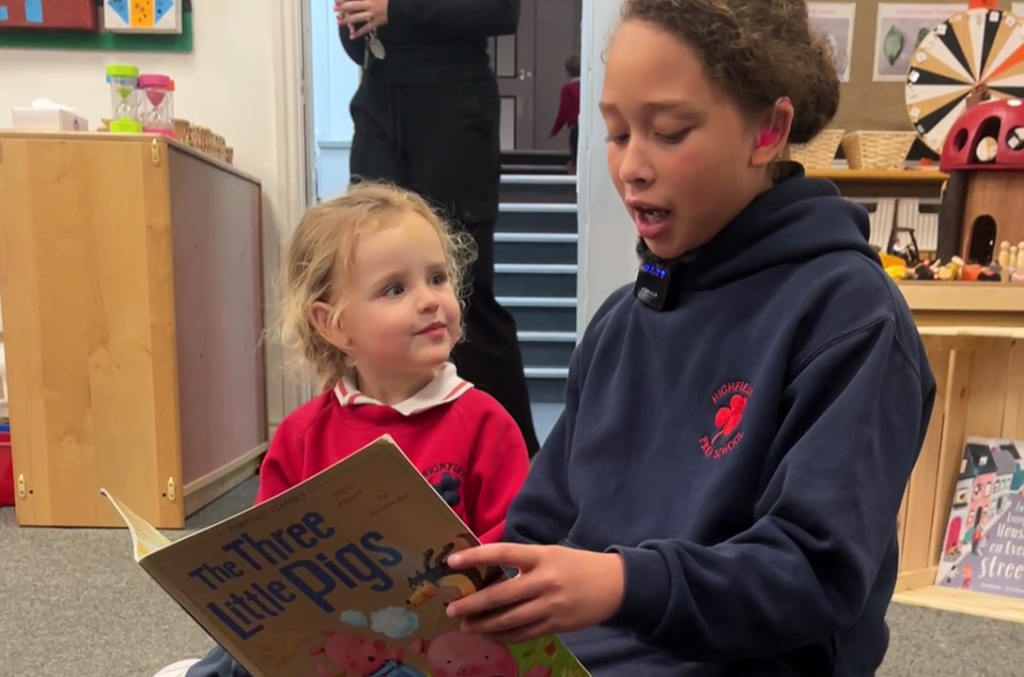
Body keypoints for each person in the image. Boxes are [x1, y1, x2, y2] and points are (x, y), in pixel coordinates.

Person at [443, 1, 937, 676]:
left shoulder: (851, 316)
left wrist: (621, 584)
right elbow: (543, 522)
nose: (631, 168)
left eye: (668, 132)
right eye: (617, 134)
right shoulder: (619, 323)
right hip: (587, 653)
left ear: (768, 131)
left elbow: (815, 572)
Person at [151, 183, 532, 677]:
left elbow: (516, 547)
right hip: (331, 642)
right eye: (396, 289)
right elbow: (263, 557)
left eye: (437, 278)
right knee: (236, 657)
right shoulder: (302, 433)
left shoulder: (484, 422)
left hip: (443, 639)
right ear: (333, 325)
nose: (429, 300)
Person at [332, 0, 541, 456]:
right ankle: (380, 452)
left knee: (464, 298)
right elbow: (364, 43)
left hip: (452, 109)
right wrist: (358, 21)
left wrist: (394, 10)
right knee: (365, 282)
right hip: (378, 101)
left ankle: (524, 468)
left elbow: (502, 12)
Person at [550, 53, 581, 175]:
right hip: (587, 128)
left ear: (569, 72)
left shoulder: (567, 89)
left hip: (575, 127)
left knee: (575, 156)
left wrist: (554, 131)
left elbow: (563, 112)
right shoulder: (589, 86)